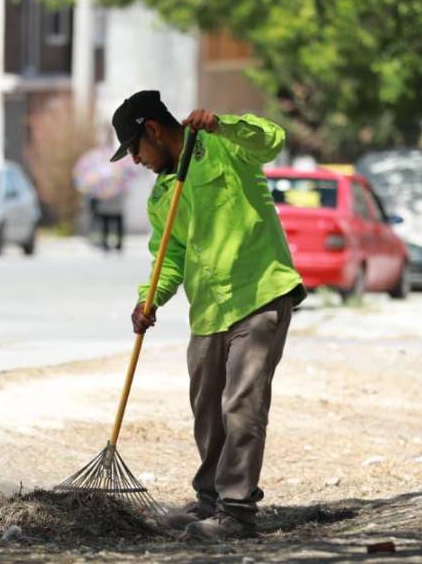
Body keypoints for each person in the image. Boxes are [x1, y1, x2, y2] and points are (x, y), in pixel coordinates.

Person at [110, 90, 306, 541]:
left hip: (259, 294)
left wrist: (225, 124)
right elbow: (169, 256)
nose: (135, 160)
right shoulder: (163, 196)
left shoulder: (223, 145)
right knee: (207, 410)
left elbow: (271, 139)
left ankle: (237, 513)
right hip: (209, 310)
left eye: (134, 149)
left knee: (242, 405)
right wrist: (150, 299)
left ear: (153, 131)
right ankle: (210, 501)